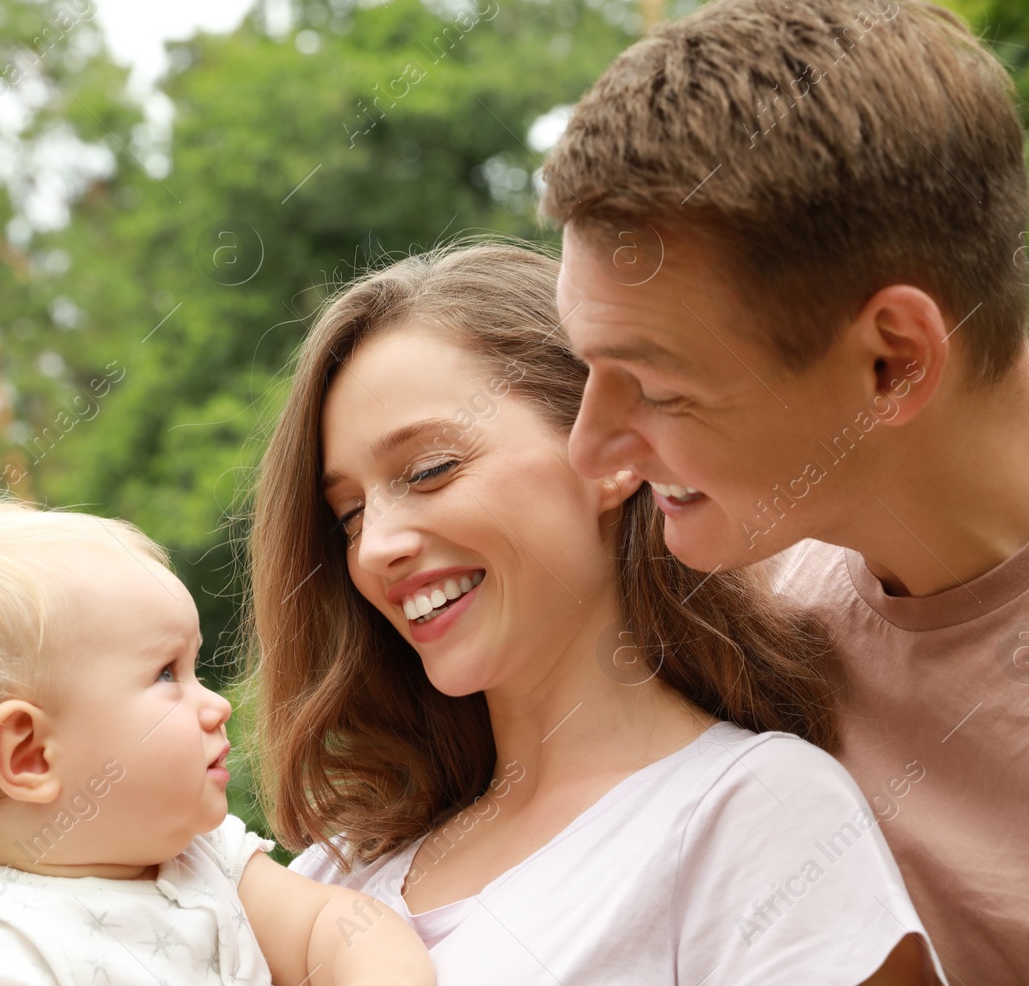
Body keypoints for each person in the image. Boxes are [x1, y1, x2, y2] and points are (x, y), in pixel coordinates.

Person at [542, 0, 1029, 985]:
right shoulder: (747, 587)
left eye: (659, 388)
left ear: (893, 359)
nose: (590, 450)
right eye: (586, 370)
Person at [246, 242, 945, 984]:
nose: (376, 547)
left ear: (611, 450)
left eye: (429, 470)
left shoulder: (757, 814)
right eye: (349, 514)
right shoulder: (336, 871)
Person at [0, 495, 435, 986]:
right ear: (31, 755)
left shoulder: (200, 853)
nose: (216, 704)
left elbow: (331, 926)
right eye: (167, 674)